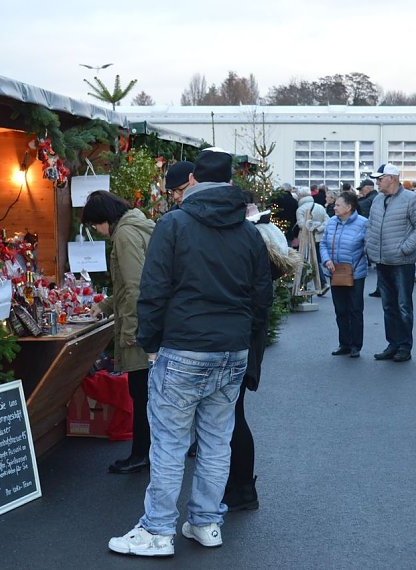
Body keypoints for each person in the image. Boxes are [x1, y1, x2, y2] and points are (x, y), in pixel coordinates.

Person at [108, 148, 273, 557]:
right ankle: (206, 523)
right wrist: (247, 345)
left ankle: (158, 531)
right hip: (231, 349)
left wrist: (148, 342)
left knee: (169, 443)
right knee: (218, 441)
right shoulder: (249, 232)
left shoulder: (175, 225)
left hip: (183, 347)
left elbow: (154, 289)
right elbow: (262, 297)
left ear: (194, 181)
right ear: (231, 182)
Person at [224, 193, 298, 512]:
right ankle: (240, 486)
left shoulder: (249, 243)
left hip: (239, 343)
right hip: (246, 341)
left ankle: (241, 488)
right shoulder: (261, 242)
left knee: (232, 416)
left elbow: (254, 302)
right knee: (233, 414)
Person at [83, 191, 156, 474]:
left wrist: (132, 331)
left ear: (105, 218)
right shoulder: (138, 225)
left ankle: (141, 454)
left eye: (95, 225)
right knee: (147, 393)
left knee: (141, 393)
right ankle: (147, 452)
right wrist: (105, 306)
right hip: (146, 322)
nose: (97, 232)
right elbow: (130, 285)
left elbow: (135, 286)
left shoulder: (124, 236)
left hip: (139, 327)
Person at [365, 163, 416, 362]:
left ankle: (404, 346)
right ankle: (392, 343)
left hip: (402, 262)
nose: (377, 182)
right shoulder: (377, 200)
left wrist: (405, 248)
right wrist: (370, 246)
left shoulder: (411, 199)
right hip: (383, 261)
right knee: (388, 306)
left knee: (403, 305)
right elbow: (371, 225)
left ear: (392, 178)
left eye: (380, 178)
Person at [319, 191, 369, 358]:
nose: (335, 207)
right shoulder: (332, 222)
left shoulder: (363, 223)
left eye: (338, 205)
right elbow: (324, 244)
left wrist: (357, 262)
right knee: (340, 309)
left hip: (355, 273)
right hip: (335, 272)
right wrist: (327, 260)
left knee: (355, 309)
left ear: (349, 207)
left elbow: (368, 247)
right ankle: (344, 343)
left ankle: (356, 345)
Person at [296, 186, 330, 294]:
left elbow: (302, 225)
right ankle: (321, 283)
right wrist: (318, 228)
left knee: (305, 260)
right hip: (319, 238)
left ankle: (303, 285)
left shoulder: (300, 209)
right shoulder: (320, 207)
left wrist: (311, 228)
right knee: (316, 261)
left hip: (306, 238)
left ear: (301, 196)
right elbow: (327, 221)